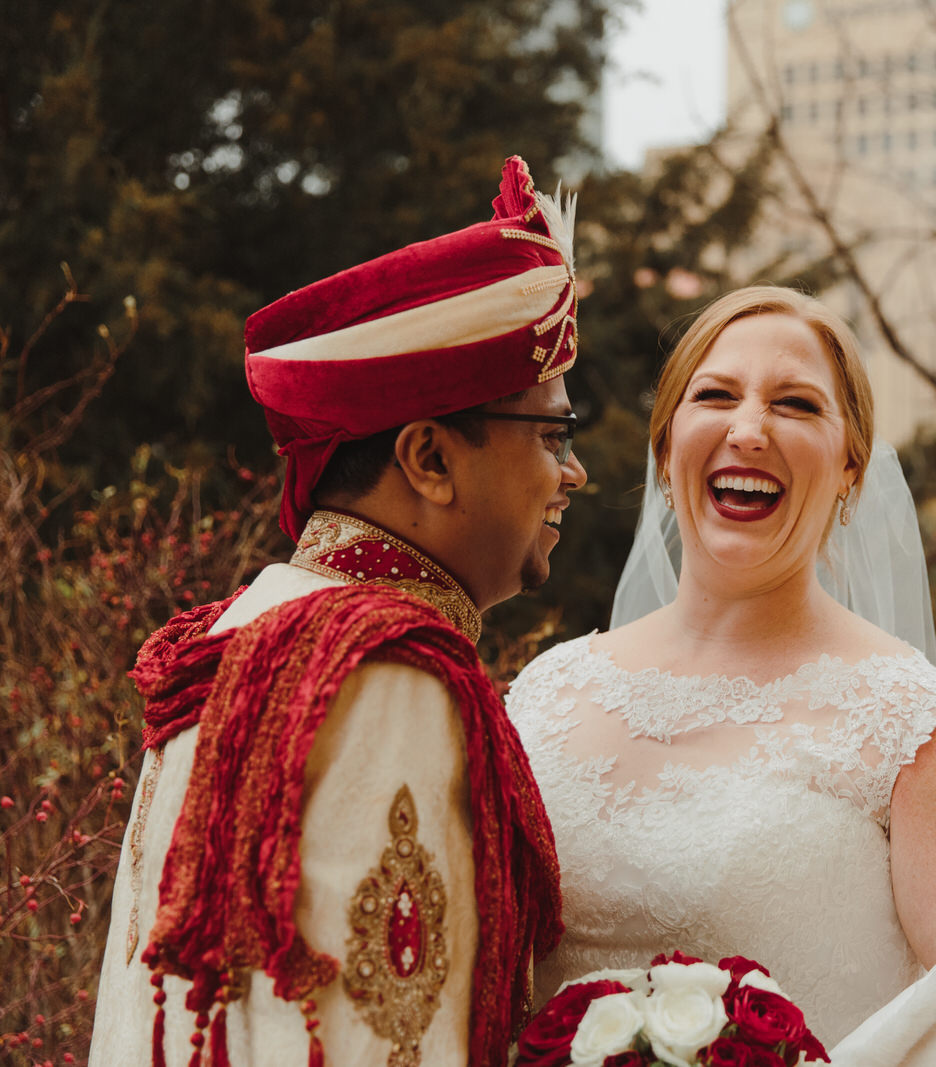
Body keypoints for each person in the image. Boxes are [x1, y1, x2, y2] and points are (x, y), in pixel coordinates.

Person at [506, 287, 936, 1064]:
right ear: (667, 445)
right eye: (715, 396)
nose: (748, 429)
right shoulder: (545, 694)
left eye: (797, 405)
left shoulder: (909, 723)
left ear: (850, 467)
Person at [89, 156, 586, 1067]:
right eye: (553, 434)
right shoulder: (384, 669)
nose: (573, 472)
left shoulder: (250, 628)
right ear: (430, 459)